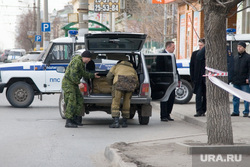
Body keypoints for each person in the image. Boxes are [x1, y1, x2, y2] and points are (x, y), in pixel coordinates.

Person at [62, 51, 100, 128]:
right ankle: (68, 121)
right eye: (89, 59)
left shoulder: (81, 63)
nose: (90, 60)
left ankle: (75, 119)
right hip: (69, 84)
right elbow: (73, 74)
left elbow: (83, 73)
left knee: (79, 100)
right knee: (71, 101)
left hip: (74, 84)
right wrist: (78, 83)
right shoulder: (77, 61)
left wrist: (93, 75)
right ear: (86, 57)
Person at [106, 60, 139, 128]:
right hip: (130, 85)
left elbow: (108, 76)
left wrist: (111, 85)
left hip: (119, 83)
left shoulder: (116, 66)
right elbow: (137, 81)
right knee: (127, 102)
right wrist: (135, 88)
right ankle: (124, 122)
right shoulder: (132, 69)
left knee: (116, 102)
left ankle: (116, 122)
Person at [160, 41, 180, 122]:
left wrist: (178, 78)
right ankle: (163, 115)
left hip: (172, 80)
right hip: (165, 81)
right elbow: (160, 68)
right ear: (168, 47)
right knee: (165, 98)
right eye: (173, 47)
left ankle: (168, 114)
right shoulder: (162, 55)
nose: (174, 49)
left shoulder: (172, 56)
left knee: (171, 98)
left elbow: (175, 68)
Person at [231, 42, 250, 117]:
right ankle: (235, 111)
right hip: (236, 80)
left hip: (244, 81)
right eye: (238, 46)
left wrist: (248, 78)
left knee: (246, 97)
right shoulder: (235, 58)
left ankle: (246, 111)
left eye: (241, 47)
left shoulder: (248, 57)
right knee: (235, 97)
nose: (239, 48)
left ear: (244, 48)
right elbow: (232, 69)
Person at [190, 39, 206, 117]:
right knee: (198, 95)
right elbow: (192, 67)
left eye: (201, 45)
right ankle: (199, 110)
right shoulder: (195, 54)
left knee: (206, 96)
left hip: (206, 78)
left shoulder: (208, 54)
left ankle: (204, 109)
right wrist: (193, 78)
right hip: (198, 78)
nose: (200, 47)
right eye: (199, 45)